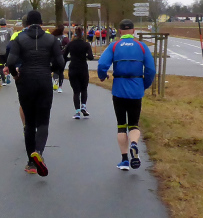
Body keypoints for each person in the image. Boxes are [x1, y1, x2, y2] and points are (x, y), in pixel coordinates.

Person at [7, 10, 64, 177]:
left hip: (26, 81)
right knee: (43, 121)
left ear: (26, 23)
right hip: (44, 80)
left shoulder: (19, 38)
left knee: (30, 123)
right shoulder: (51, 39)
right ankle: (38, 151)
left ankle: (31, 164)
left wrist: (15, 75)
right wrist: (50, 69)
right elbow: (61, 62)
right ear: (41, 23)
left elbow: (10, 61)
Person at [97, 19, 156, 171]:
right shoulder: (142, 46)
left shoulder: (114, 46)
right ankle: (134, 144)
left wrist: (102, 76)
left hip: (119, 89)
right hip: (136, 89)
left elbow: (102, 64)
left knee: (121, 125)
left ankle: (124, 160)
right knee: (134, 124)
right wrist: (144, 85)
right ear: (134, 31)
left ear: (120, 31)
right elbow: (151, 70)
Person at [63, 26, 94, 119]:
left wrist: (70, 58)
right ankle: (83, 106)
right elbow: (91, 57)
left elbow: (64, 55)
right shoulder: (86, 44)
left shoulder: (70, 44)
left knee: (76, 91)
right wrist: (84, 57)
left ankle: (77, 112)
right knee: (84, 89)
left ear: (74, 34)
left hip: (73, 68)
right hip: (83, 68)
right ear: (83, 34)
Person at [0, 18, 13, 84]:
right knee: (8, 65)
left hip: (0, 52)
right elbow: (13, 39)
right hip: (8, 51)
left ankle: (3, 81)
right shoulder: (9, 30)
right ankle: (8, 75)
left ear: (0, 24)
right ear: (5, 24)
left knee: (1, 66)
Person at [51, 24, 69, 93]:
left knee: (54, 70)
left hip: (54, 56)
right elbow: (69, 45)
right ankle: (60, 87)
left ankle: (55, 79)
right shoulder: (65, 38)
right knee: (61, 71)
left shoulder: (52, 37)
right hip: (63, 56)